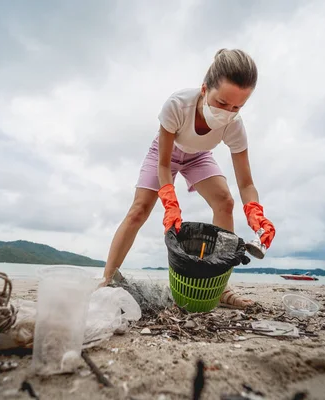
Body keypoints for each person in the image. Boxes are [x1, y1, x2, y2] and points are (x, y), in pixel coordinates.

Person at [101, 48, 276, 309]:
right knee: (139, 210)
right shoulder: (177, 105)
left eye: (238, 106)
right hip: (166, 154)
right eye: (222, 103)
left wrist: (255, 212)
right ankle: (106, 280)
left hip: (199, 156)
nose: (228, 112)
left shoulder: (234, 126)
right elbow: (163, 164)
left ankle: (219, 287)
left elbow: (246, 184)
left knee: (225, 202)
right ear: (205, 89)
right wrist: (170, 202)